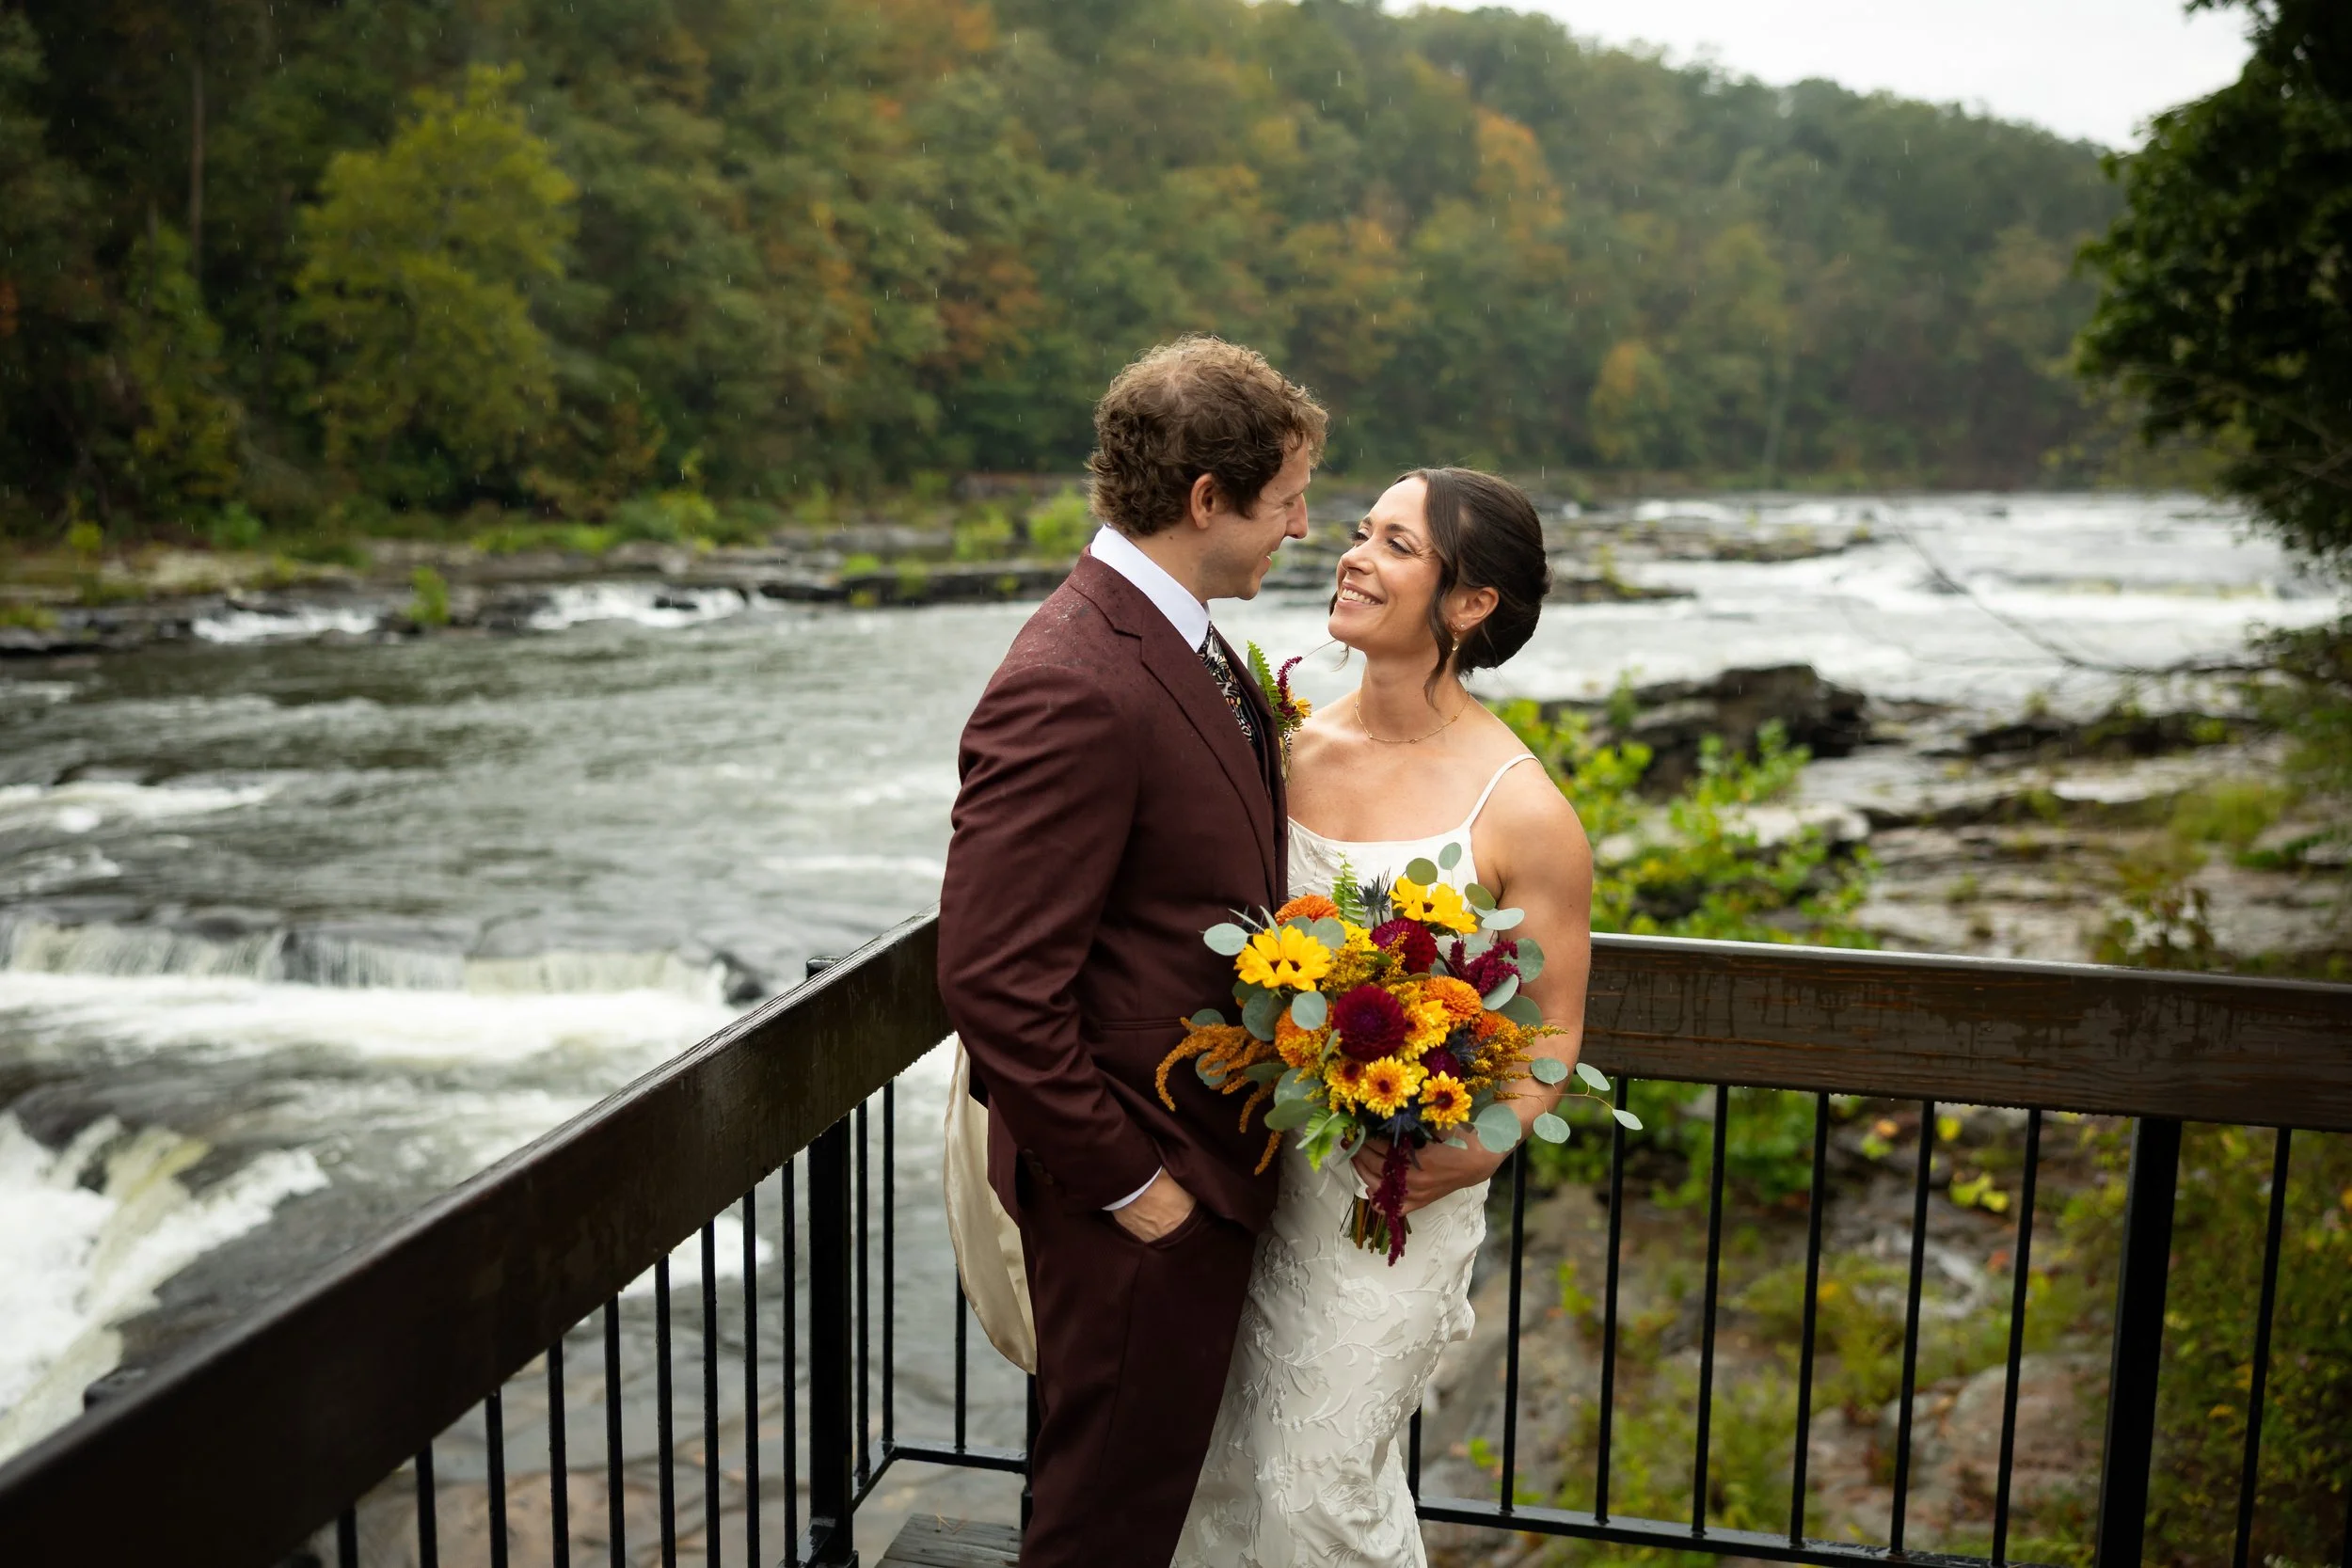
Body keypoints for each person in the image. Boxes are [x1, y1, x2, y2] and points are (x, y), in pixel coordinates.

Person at [936, 336, 1326, 1568]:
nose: (1304, 527)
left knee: (1134, 1506)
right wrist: (1133, 1188)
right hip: (1138, 1200)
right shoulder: (1072, 680)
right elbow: (994, 977)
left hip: (1205, 1172)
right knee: (1101, 1527)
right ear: (1207, 499)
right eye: (1288, 499)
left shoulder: (1189, 641)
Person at [1176, 467, 1596, 1566]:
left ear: (1468, 604)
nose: (1352, 552)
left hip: (1390, 1201)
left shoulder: (1521, 809)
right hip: (1252, 1170)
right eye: (1360, 530)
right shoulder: (1281, 749)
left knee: (1313, 1481)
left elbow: (1551, 1034)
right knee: (1221, 1468)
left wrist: (1480, 1144)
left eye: (1396, 545)